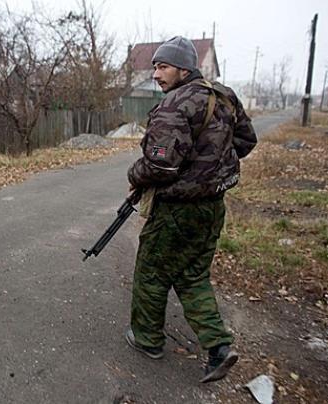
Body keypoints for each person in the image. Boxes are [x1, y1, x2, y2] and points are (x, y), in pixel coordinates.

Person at [124, 36, 257, 382]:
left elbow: (159, 167)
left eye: (162, 66)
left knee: (152, 273)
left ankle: (147, 339)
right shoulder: (224, 96)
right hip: (213, 207)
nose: (156, 74)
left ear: (184, 68)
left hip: (177, 211)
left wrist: (133, 174)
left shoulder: (175, 104)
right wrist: (210, 170)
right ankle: (219, 348)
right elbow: (245, 141)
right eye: (154, 66)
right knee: (192, 274)